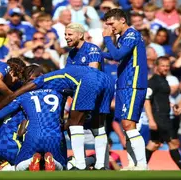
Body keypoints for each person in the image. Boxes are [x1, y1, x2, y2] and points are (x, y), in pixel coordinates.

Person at [0, 65, 114, 170]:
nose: (30, 83)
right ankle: (101, 165)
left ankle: (80, 164)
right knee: (98, 126)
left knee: (74, 124)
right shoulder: (59, 86)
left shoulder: (43, 79)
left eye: (31, 80)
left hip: (88, 80)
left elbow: (17, 94)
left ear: (40, 75)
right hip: (107, 79)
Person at [102, 9, 148, 170]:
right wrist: (95, 52)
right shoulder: (122, 37)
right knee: (126, 125)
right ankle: (132, 163)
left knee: (129, 124)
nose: (110, 28)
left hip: (133, 84)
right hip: (123, 85)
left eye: (111, 24)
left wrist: (107, 39)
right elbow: (114, 55)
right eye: (107, 25)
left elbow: (117, 56)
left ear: (122, 20)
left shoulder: (131, 35)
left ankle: (142, 164)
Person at [64, 22, 108, 170]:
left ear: (80, 35)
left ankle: (97, 165)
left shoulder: (92, 49)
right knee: (76, 126)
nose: (66, 37)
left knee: (94, 126)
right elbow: (67, 77)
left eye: (69, 34)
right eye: (65, 34)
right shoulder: (71, 54)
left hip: (95, 90)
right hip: (80, 91)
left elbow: (93, 72)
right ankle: (84, 162)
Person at [0, 88, 66, 171]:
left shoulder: (24, 96)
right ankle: (52, 162)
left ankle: (31, 161)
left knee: (18, 166)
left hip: (33, 135)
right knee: (62, 166)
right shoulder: (58, 93)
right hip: (53, 136)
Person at [145, 56, 181, 170]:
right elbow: (146, 101)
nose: (165, 68)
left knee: (154, 143)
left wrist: (173, 106)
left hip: (164, 115)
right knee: (174, 142)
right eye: (163, 65)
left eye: (167, 65)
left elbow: (161, 99)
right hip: (159, 117)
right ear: (156, 66)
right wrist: (151, 119)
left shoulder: (164, 80)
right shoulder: (153, 82)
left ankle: (140, 165)